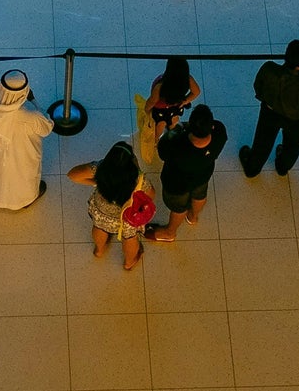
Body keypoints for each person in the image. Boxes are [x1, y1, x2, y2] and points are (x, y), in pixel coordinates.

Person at [0, 69, 53, 210]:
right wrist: (33, 100)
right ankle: (24, 201)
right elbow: (47, 127)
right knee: (21, 174)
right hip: (22, 157)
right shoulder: (31, 116)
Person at [67, 139, 153, 270]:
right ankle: (129, 262)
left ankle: (99, 250)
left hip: (102, 211)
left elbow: (73, 175)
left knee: (99, 228)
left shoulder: (100, 169)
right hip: (127, 217)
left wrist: (97, 183)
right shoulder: (138, 179)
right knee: (130, 238)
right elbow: (151, 195)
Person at [239, 38, 299, 178]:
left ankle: (252, 168)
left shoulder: (268, 69)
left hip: (270, 112)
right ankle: (283, 167)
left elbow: (258, 86)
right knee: (292, 147)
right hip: (296, 121)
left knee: (262, 142)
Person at [147, 104, 227, 242]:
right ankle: (193, 217)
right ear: (211, 126)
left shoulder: (176, 142)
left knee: (179, 208)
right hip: (203, 176)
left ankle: (169, 232)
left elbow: (162, 153)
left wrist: (177, 129)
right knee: (200, 195)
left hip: (177, 183)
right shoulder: (219, 132)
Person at [143, 56, 201, 143]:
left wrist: (147, 110)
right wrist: (185, 101)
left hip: (160, 109)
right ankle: (173, 134)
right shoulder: (187, 79)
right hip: (176, 105)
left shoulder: (160, 86)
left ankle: (156, 140)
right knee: (174, 119)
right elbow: (196, 92)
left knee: (160, 125)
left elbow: (152, 101)